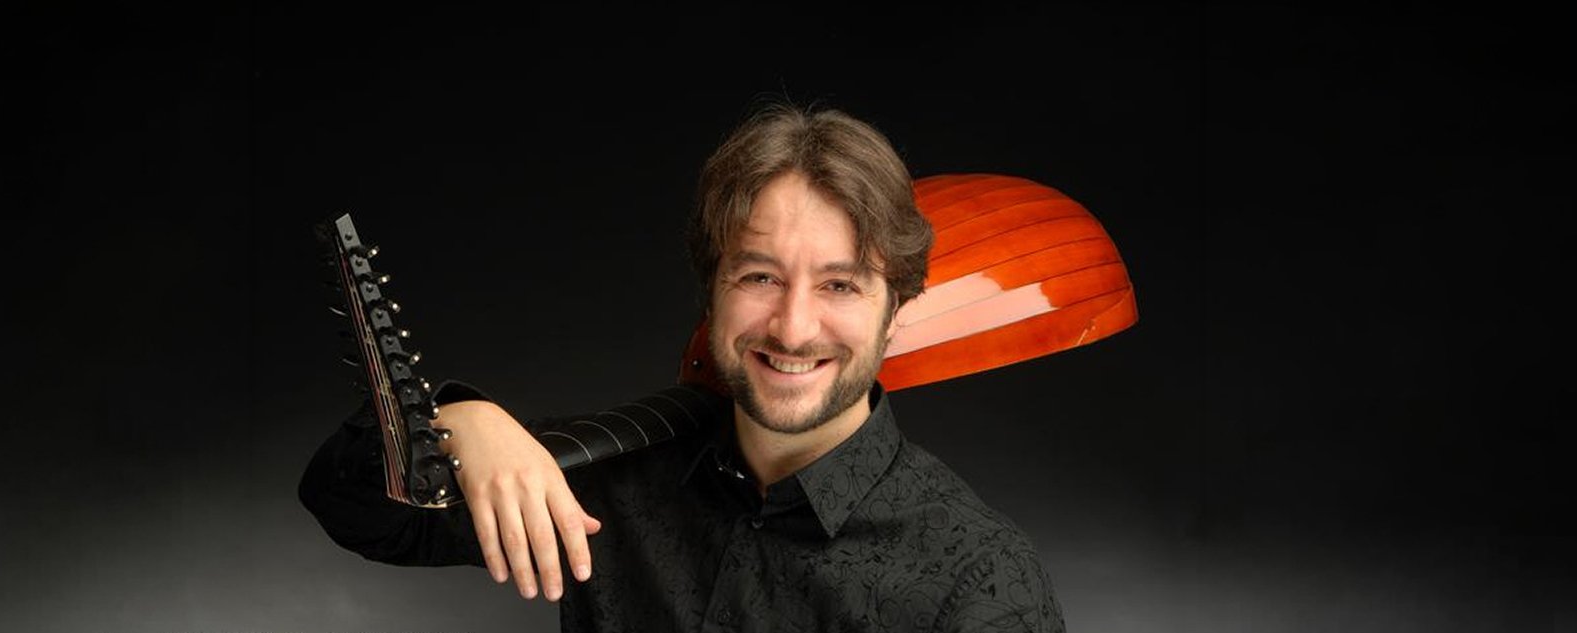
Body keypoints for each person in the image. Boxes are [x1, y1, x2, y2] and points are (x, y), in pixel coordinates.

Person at [300, 103, 1068, 632]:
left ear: (896, 310)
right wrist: (460, 422)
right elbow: (353, 506)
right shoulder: (609, 483)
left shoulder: (978, 580)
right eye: (759, 276)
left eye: (840, 284)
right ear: (712, 292)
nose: (793, 326)